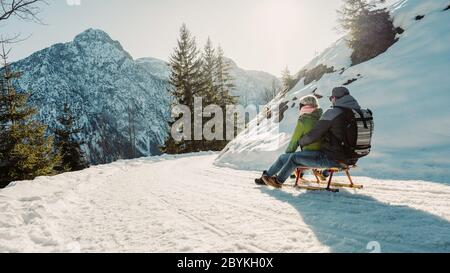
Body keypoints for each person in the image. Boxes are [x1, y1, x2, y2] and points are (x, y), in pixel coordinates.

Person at [262, 87, 362, 188]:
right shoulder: (356, 114)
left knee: (293, 158)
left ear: (335, 98)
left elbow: (313, 135)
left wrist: (301, 142)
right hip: (352, 158)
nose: (331, 101)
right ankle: (323, 174)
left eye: (331, 98)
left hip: (333, 159)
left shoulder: (332, 114)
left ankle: (278, 181)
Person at [255, 95, 323, 185]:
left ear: (306, 106)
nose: (299, 107)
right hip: (322, 154)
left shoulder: (304, 120)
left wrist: (287, 156)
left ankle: (266, 177)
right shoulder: (321, 118)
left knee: (282, 158)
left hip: (310, 156)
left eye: (301, 105)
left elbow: (294, 142)